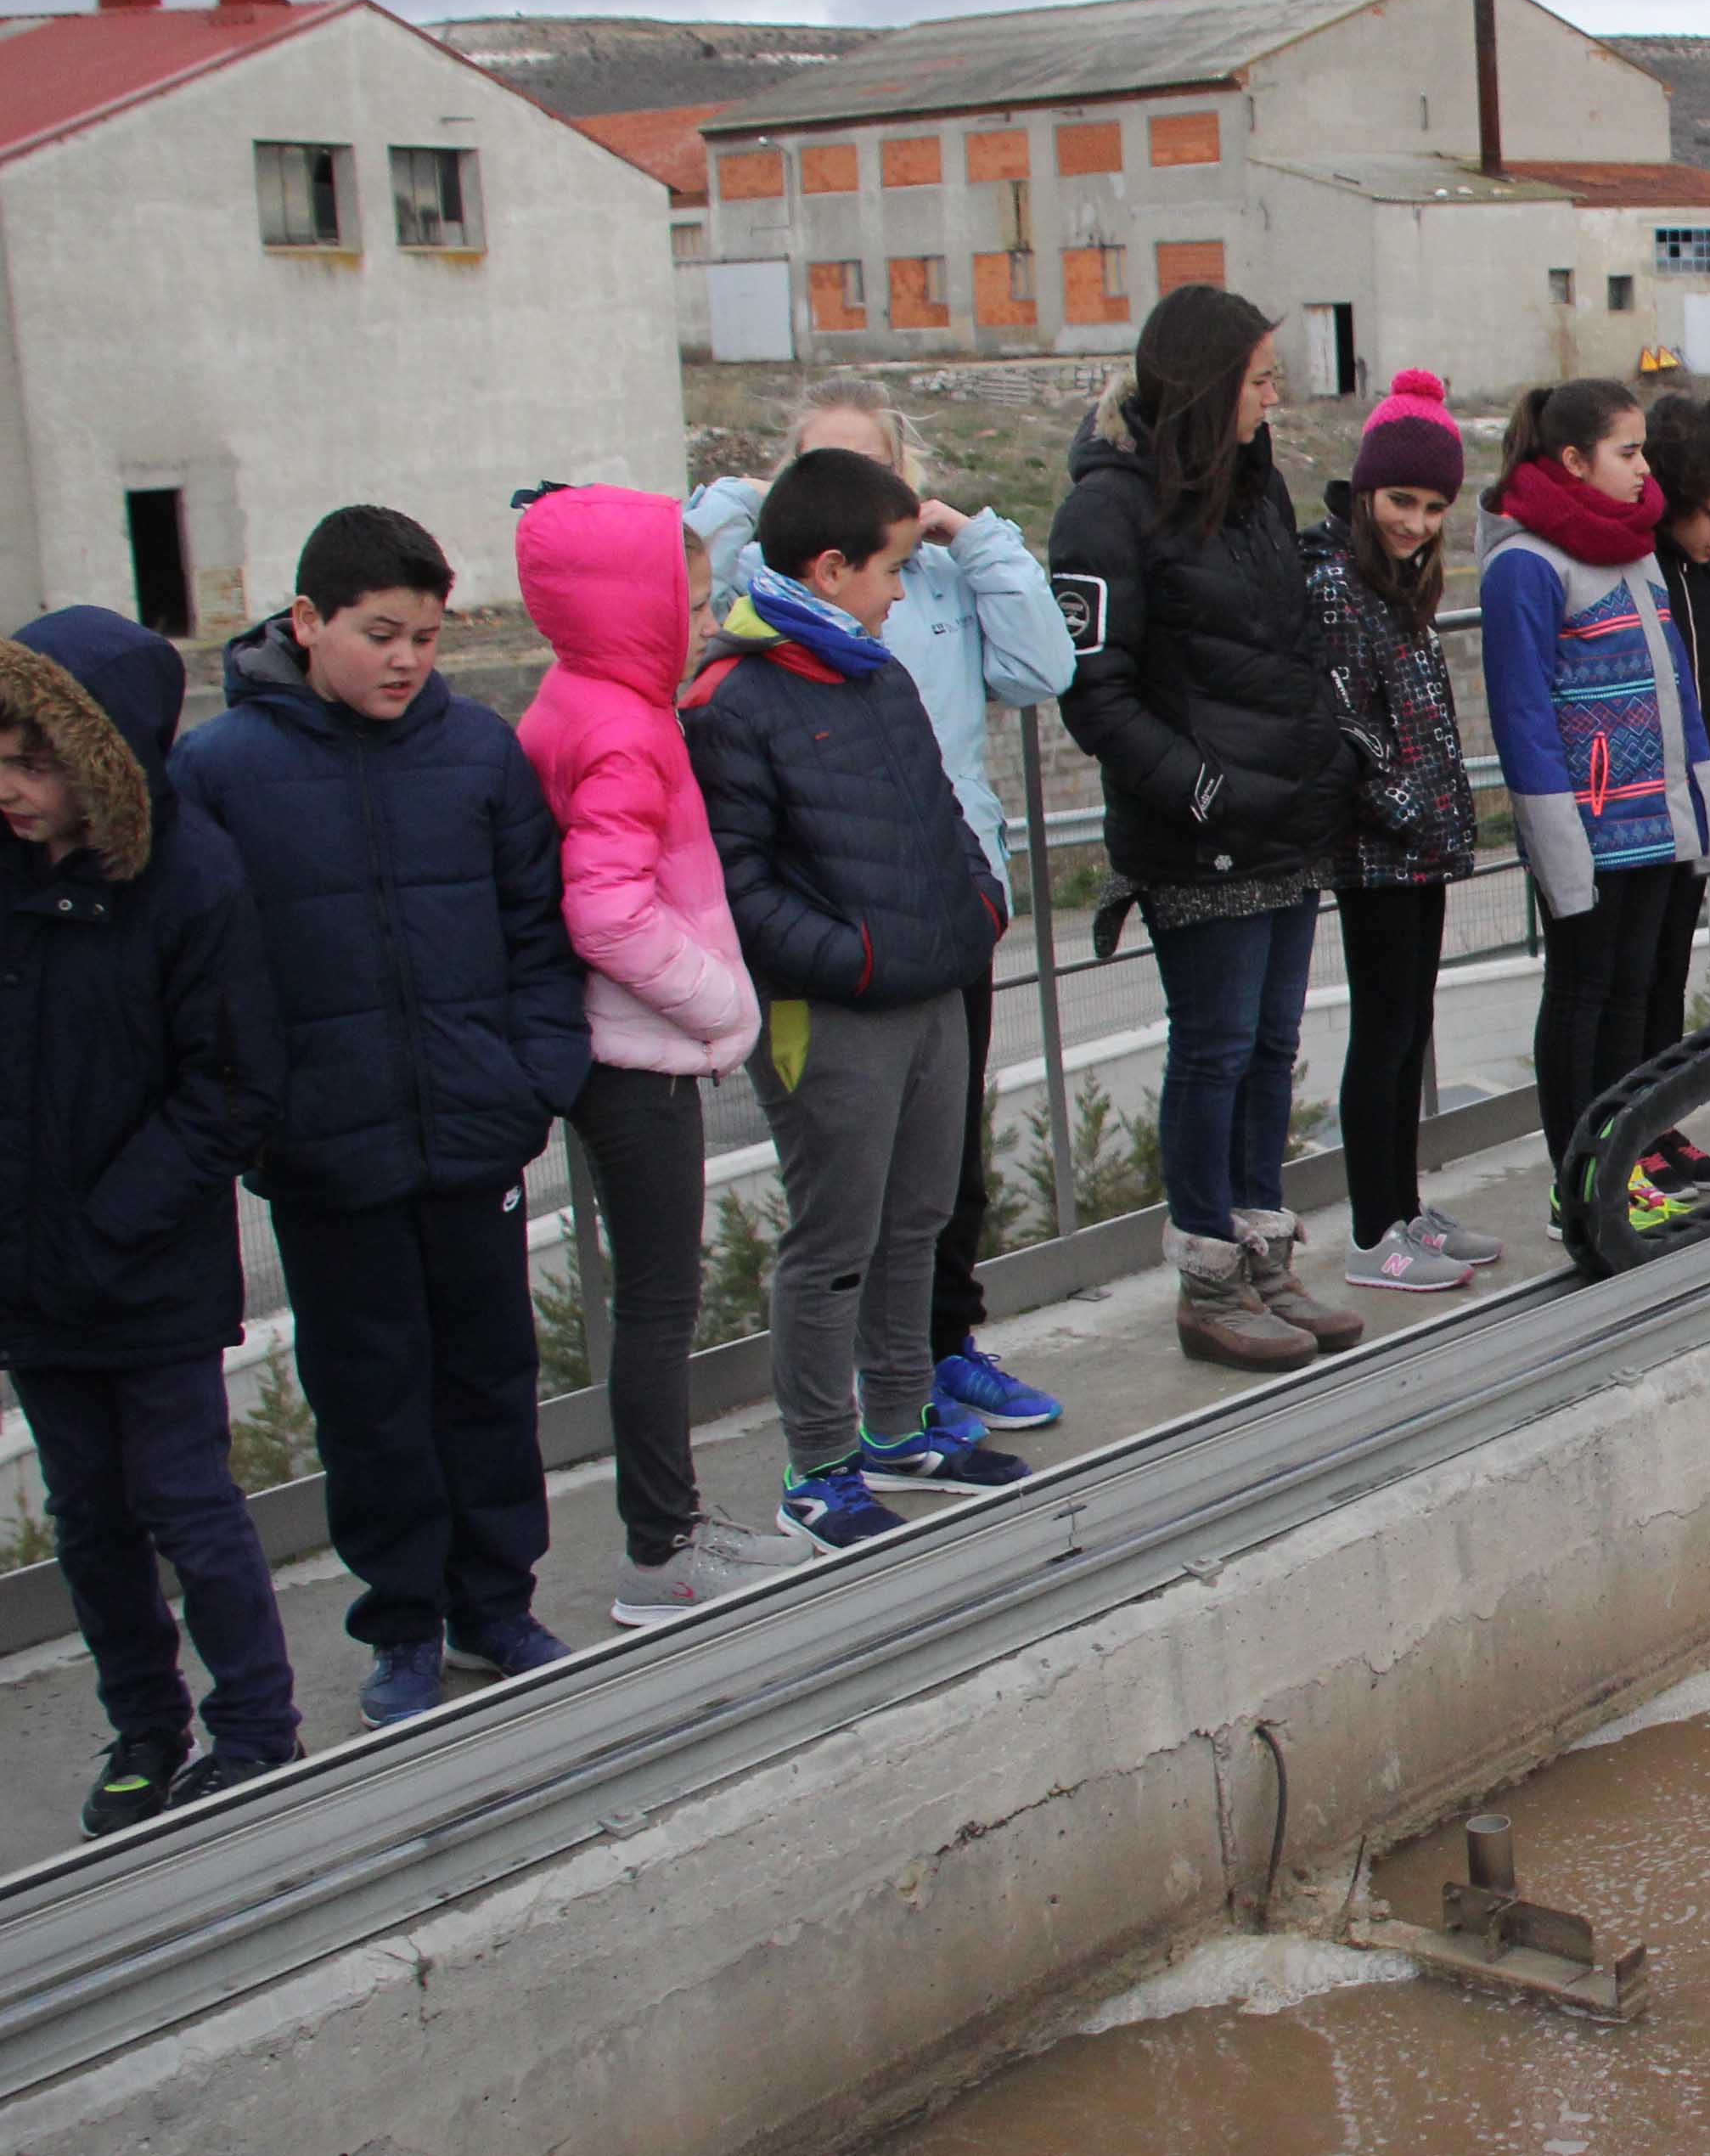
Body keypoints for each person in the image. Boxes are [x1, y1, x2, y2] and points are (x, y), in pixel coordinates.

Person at [170, 506, 588, 1726]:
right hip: (325, 1156)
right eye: (379, 633)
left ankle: (496, 1606)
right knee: (371, 1395)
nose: (406, 659)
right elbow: (201, 976)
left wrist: (532, 1080)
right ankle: (401, 1625)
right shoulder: (225, 773)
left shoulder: (478, 753)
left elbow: (535, 932)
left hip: (471, 1133)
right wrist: (266, 1123)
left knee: (489, 1377)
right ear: (306, 624)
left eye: (425, 635)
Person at [690, 378, 1074, 1433]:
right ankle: (834, 1444)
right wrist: (849, 955)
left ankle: (918, 1389)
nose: (900, 589)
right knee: (841, 1224)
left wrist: (974, 912)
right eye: (824, 471)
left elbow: (1033, 681)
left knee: (933, 1192)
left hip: (939, 937)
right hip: (848, 971)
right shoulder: (748, 678)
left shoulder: (905, 623)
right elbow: (743, 870)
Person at [0, 610, 301, 1828]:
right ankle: (143, 1730)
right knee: (86, 1515)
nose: (8, 789)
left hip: (144, 1265)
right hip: (28, 1273)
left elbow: (229, 1088)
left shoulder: (193, 883)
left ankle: (257, 1729)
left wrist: (99, 1226)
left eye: (32, 764)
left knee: (183, 1499)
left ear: (104, 759)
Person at [1050, 285, 1366, 1371]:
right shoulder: (1105, 510)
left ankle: (1261, 1243)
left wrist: (1323, 758)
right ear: (1202, 386)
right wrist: (1202, 791)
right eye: (1260, 378)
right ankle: (1208, 1276)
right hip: (1201, 829)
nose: (1275, 395)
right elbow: (1094, 693)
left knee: (1273, 1047)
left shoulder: (1256, 483)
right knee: (1216, 1048)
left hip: (1286, 814)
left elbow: (1286, 640)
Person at [514, 487, 814, 1625]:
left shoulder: (576, 702)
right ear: (626, 608)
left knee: (649, 1300)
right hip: (635, 1048)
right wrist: (720, 1003)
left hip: (613, 1038)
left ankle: (671, 1530)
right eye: (686, 602)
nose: (700, 621)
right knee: (658, 1302)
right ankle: (663, 1549)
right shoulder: (627, 732)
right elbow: (608, 913)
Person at [1479, 380, 1710, 1239]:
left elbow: (1676, 690)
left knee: (1633, 997)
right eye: (1628, 452)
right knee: (1582, 997)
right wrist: (1558, 838)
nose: (1643, 468)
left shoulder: (1635, 548)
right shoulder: (1524, 564)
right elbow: (1522, 713)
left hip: (1655, 821)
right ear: (1574, 461)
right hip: (1587, 827)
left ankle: (1624, 1165)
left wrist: (1700, 805)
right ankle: (1575, 1182)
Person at [1299, 371, 1508, 1296]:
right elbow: (1345, 728)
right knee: (1383, 1037)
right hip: (1379, 850)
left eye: (1431, 506)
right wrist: (1408, 808)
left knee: (1406, 1029)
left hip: (1414, 848)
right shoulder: (1340, 587)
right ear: (1365, 491)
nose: (1416, 522)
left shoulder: (1397, 583)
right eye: (1400, 501)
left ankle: (1402, 1208)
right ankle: (1371, 1230)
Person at [1634, 418, 1710, 1206]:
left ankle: (1661, 1119)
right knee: (1631, 980)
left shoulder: (1708, 575)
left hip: (1696, 790)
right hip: (1645, 799)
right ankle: (1623, 1138)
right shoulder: (1647, 569)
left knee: (1669, 972)